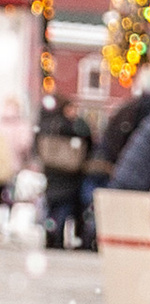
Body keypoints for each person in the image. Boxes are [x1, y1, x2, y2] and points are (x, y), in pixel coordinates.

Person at [35, 99, 98, 251]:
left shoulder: (50, 125)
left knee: (54, 209)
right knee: (63, 209)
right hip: (67, 176)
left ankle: (52, 235)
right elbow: (89, 143)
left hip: (55, 176)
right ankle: (55, 237)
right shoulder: (75, 127)